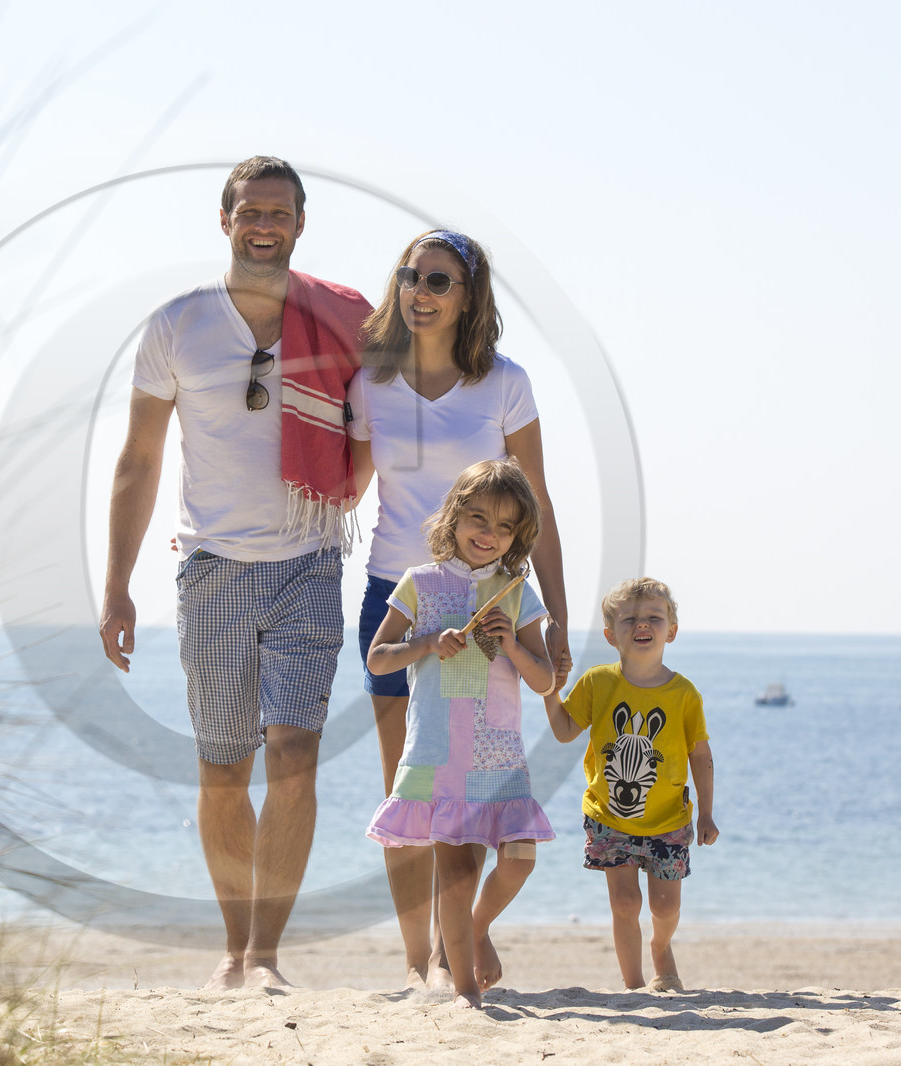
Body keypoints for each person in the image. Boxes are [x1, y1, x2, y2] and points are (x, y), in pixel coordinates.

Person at [98, 156, 371, 991]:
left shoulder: (343, 321)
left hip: (309, 560)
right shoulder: (177, 324)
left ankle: (266, 956)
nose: (264, 225)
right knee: (222, 769)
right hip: (212, 568)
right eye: (250, 211)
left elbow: (396, 418)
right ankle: (231, 946)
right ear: (225, 221)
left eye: (279, 212)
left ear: (300, 224)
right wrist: (116, 586)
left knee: (295, 754)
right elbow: (139, 459)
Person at [347, 228, 571, 989]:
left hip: (489, 602)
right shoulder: (371, 382)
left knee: (470, 789)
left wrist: (555, 616)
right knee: (411, 788)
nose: (420, 291)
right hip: (398, 594)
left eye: (439, 280)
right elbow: (344, 486)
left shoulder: (505, 383)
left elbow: (538, 506)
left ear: (469, 295)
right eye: (410, 276)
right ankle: (422, 964)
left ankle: (457, 946)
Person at [365, 459, 556, 1009]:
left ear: (518, 536)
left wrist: (513, 644)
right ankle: (464, 988)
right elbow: (378, 659)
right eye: (478, 518)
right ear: (454, 516)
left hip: (499, 754)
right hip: (439, 750)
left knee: (519, 857)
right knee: (455, 871)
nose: (489, 534)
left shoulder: (517, 591)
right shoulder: (419, 582)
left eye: (504, 526)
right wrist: (427, 643)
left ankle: (473, 929)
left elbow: (544, 681)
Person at [542, 577, 719, 991]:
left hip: (669, 820)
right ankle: (635, 988)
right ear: (611, 635)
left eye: (654, 617)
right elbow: (565, 731)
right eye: (630, 619)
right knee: (625, 903)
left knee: (665, 907)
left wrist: (707, 813)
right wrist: (550, 690)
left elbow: (700, 755)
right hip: (609, 818)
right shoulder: (597, 682)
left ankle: (661, 946)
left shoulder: (684, 694)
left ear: (671, 631)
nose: (642, 624)